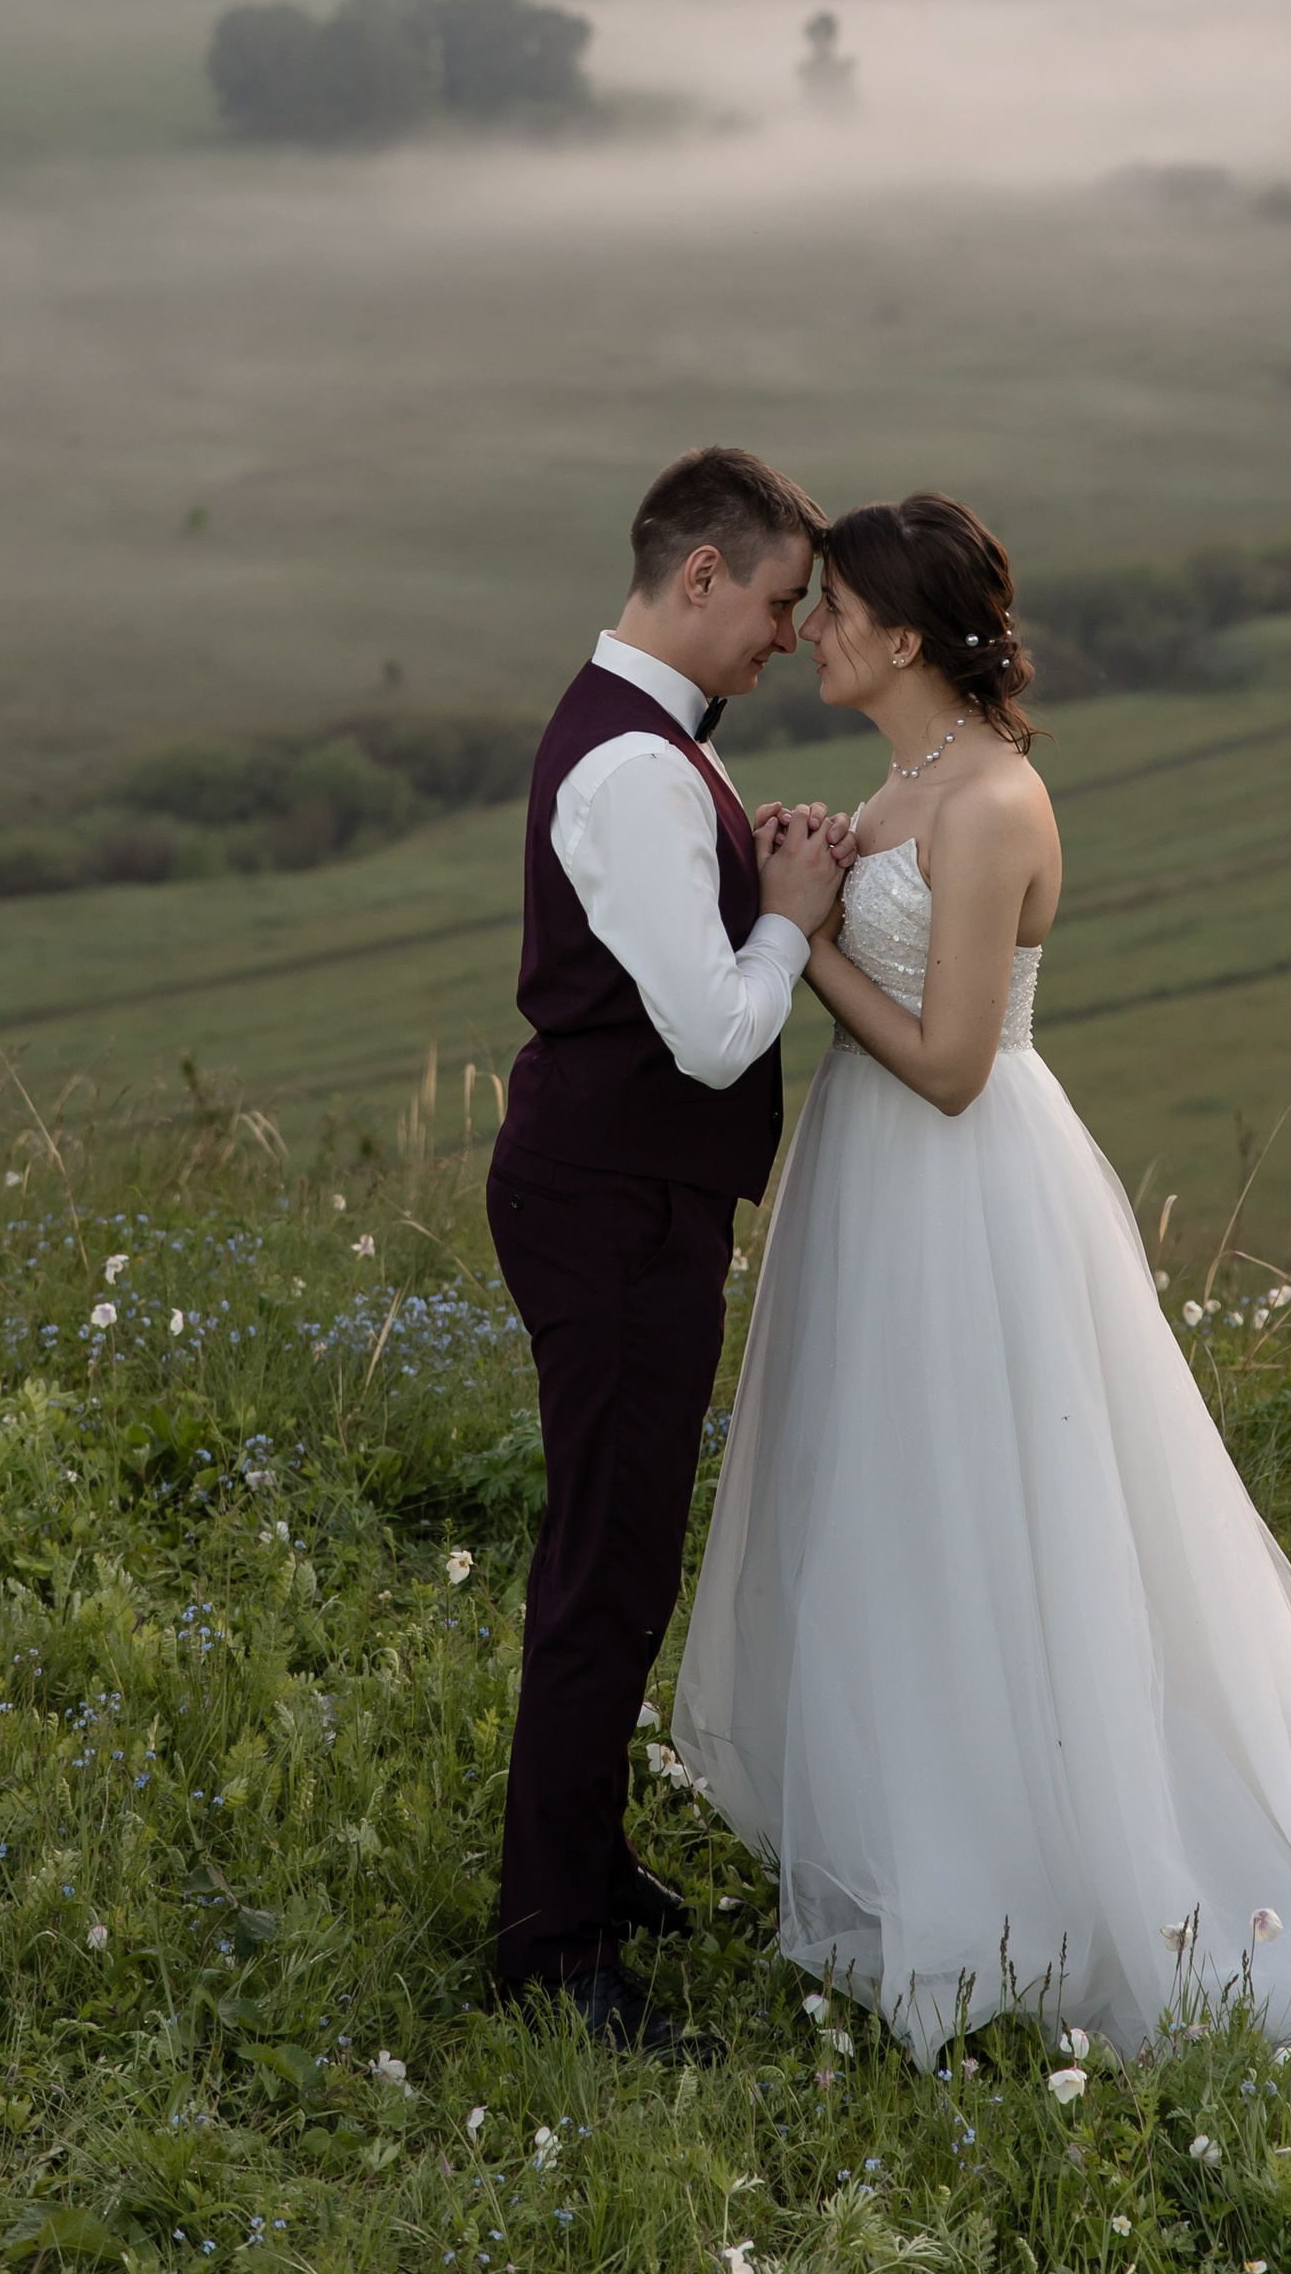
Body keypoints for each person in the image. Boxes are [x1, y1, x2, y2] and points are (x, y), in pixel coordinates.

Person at [674, 489, 1291, 2092]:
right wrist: (825, 889)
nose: (810, 628)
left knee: (1004, 1523)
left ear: (904, 634)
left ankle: (1049, 1876)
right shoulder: (910, 776)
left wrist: (801, 932)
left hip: (964, 1186)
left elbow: (955, 1061)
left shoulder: (992, 802)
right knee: (904, 1517)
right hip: (875, 1189)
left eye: (833, 607)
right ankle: (937, 1843)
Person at [488, 444, 845, 2047]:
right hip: (612, 1200)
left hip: (623, 1192)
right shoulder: (635, 767)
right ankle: (555, 1951)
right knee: (605, 1568)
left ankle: (586, 1858)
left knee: (620, 1552)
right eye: (777, 601)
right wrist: (789, 913)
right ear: (700, 574)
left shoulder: (654, 745)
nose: (788, 636)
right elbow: (707, 1034)